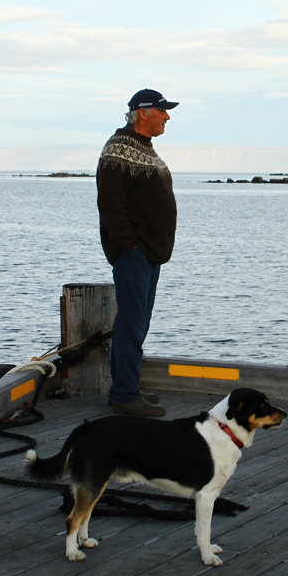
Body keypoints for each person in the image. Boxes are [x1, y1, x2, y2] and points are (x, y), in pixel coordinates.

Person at [96, 88, 179, 416]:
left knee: (136, 321)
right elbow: (110, 203)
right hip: (135, 253)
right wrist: (128, 247)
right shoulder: (119, 148)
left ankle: (124, 390)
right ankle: (126, 394)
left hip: (148, 253)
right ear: (143, 112)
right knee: (132, 322)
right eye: (162, 111)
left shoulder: (144, 149)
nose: (167, 117)